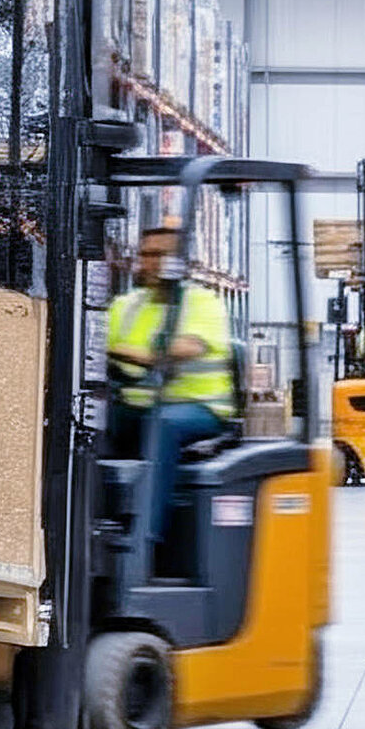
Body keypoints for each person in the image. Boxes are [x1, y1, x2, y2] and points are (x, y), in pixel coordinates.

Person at [107, 224, 235, 549]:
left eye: (158, 255)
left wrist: (125, 352)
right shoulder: (127, 305)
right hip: (139, 407)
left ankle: (147, 539)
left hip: (202, 410)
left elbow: (178, 351)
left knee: (162, 425)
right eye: (145, 255)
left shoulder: (202, 303)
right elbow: (93, 345)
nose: (149, 262)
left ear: (179, 260)